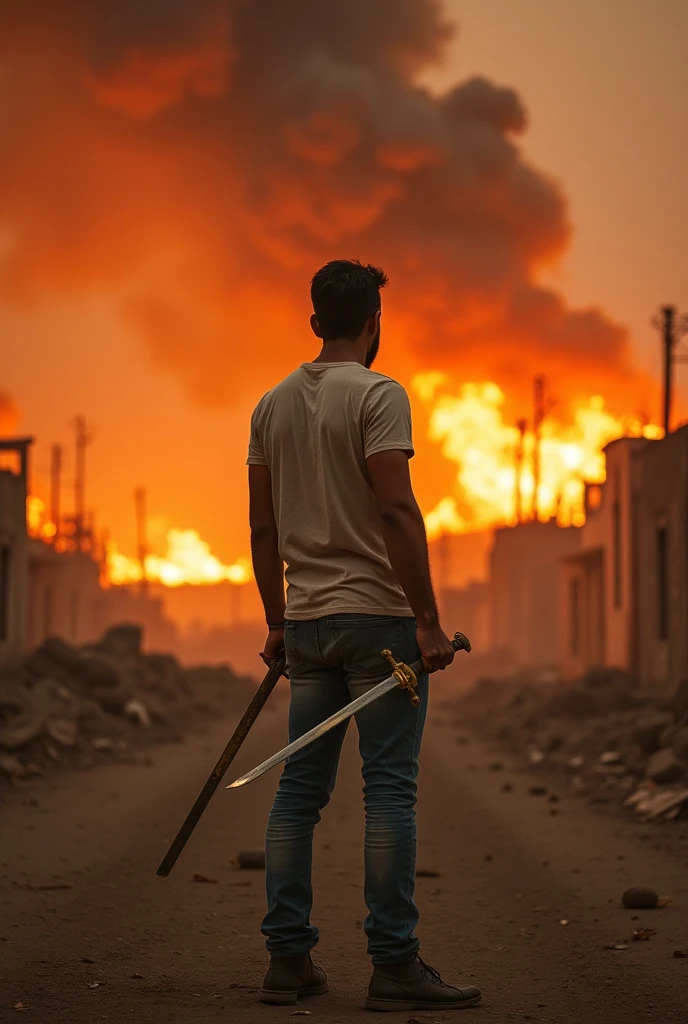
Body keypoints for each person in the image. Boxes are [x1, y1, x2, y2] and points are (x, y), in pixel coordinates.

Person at [246, 259, 481, 1012]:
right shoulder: (381, 395)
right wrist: (428, 620)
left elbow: (261, 525)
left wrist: (277, 622)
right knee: (389, 796)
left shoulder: (270, 405)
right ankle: (394, 965)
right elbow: (397, 511)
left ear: (315, 321)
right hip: (380, 621)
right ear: (376, 323)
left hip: (309, 621)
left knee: (297, 793)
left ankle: (287, 961)